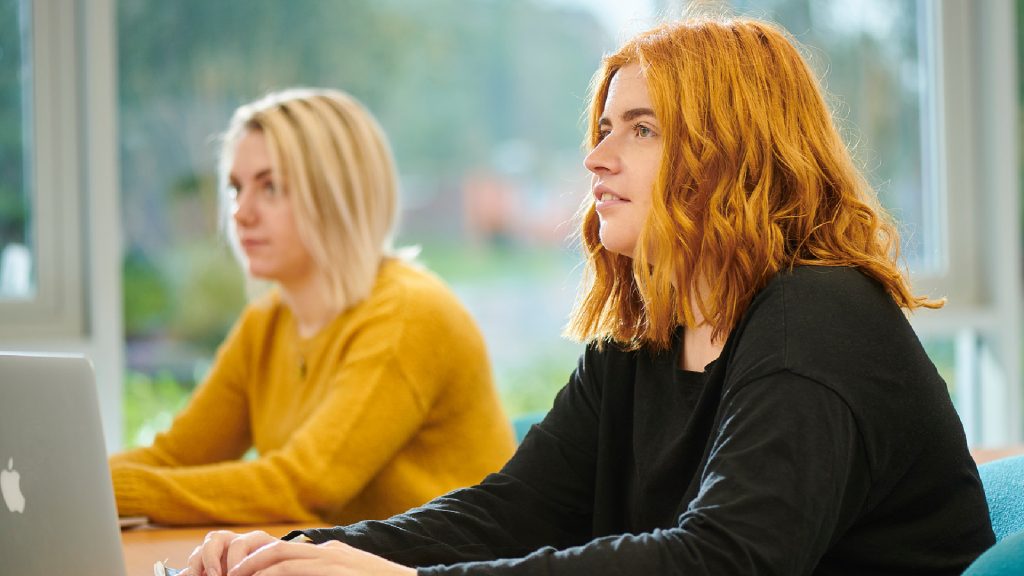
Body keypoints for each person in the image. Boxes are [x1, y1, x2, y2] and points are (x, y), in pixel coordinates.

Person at [180, 16, 994, 575]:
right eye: (603, 128)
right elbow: (511, 510)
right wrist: (293, 551)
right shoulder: (646, 334)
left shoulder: (819, 319)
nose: (598, 158)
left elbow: (722, 560)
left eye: (641, 129)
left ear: (734, 153)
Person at [110, 88, 516, 526]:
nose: (241, 213)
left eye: (270, 188)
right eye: (235, 188)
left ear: (337, 194)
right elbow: (176, 457)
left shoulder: (409, 314)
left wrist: (108, 493)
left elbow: (304, 486)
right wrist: (63, 484)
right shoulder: (265, 324)